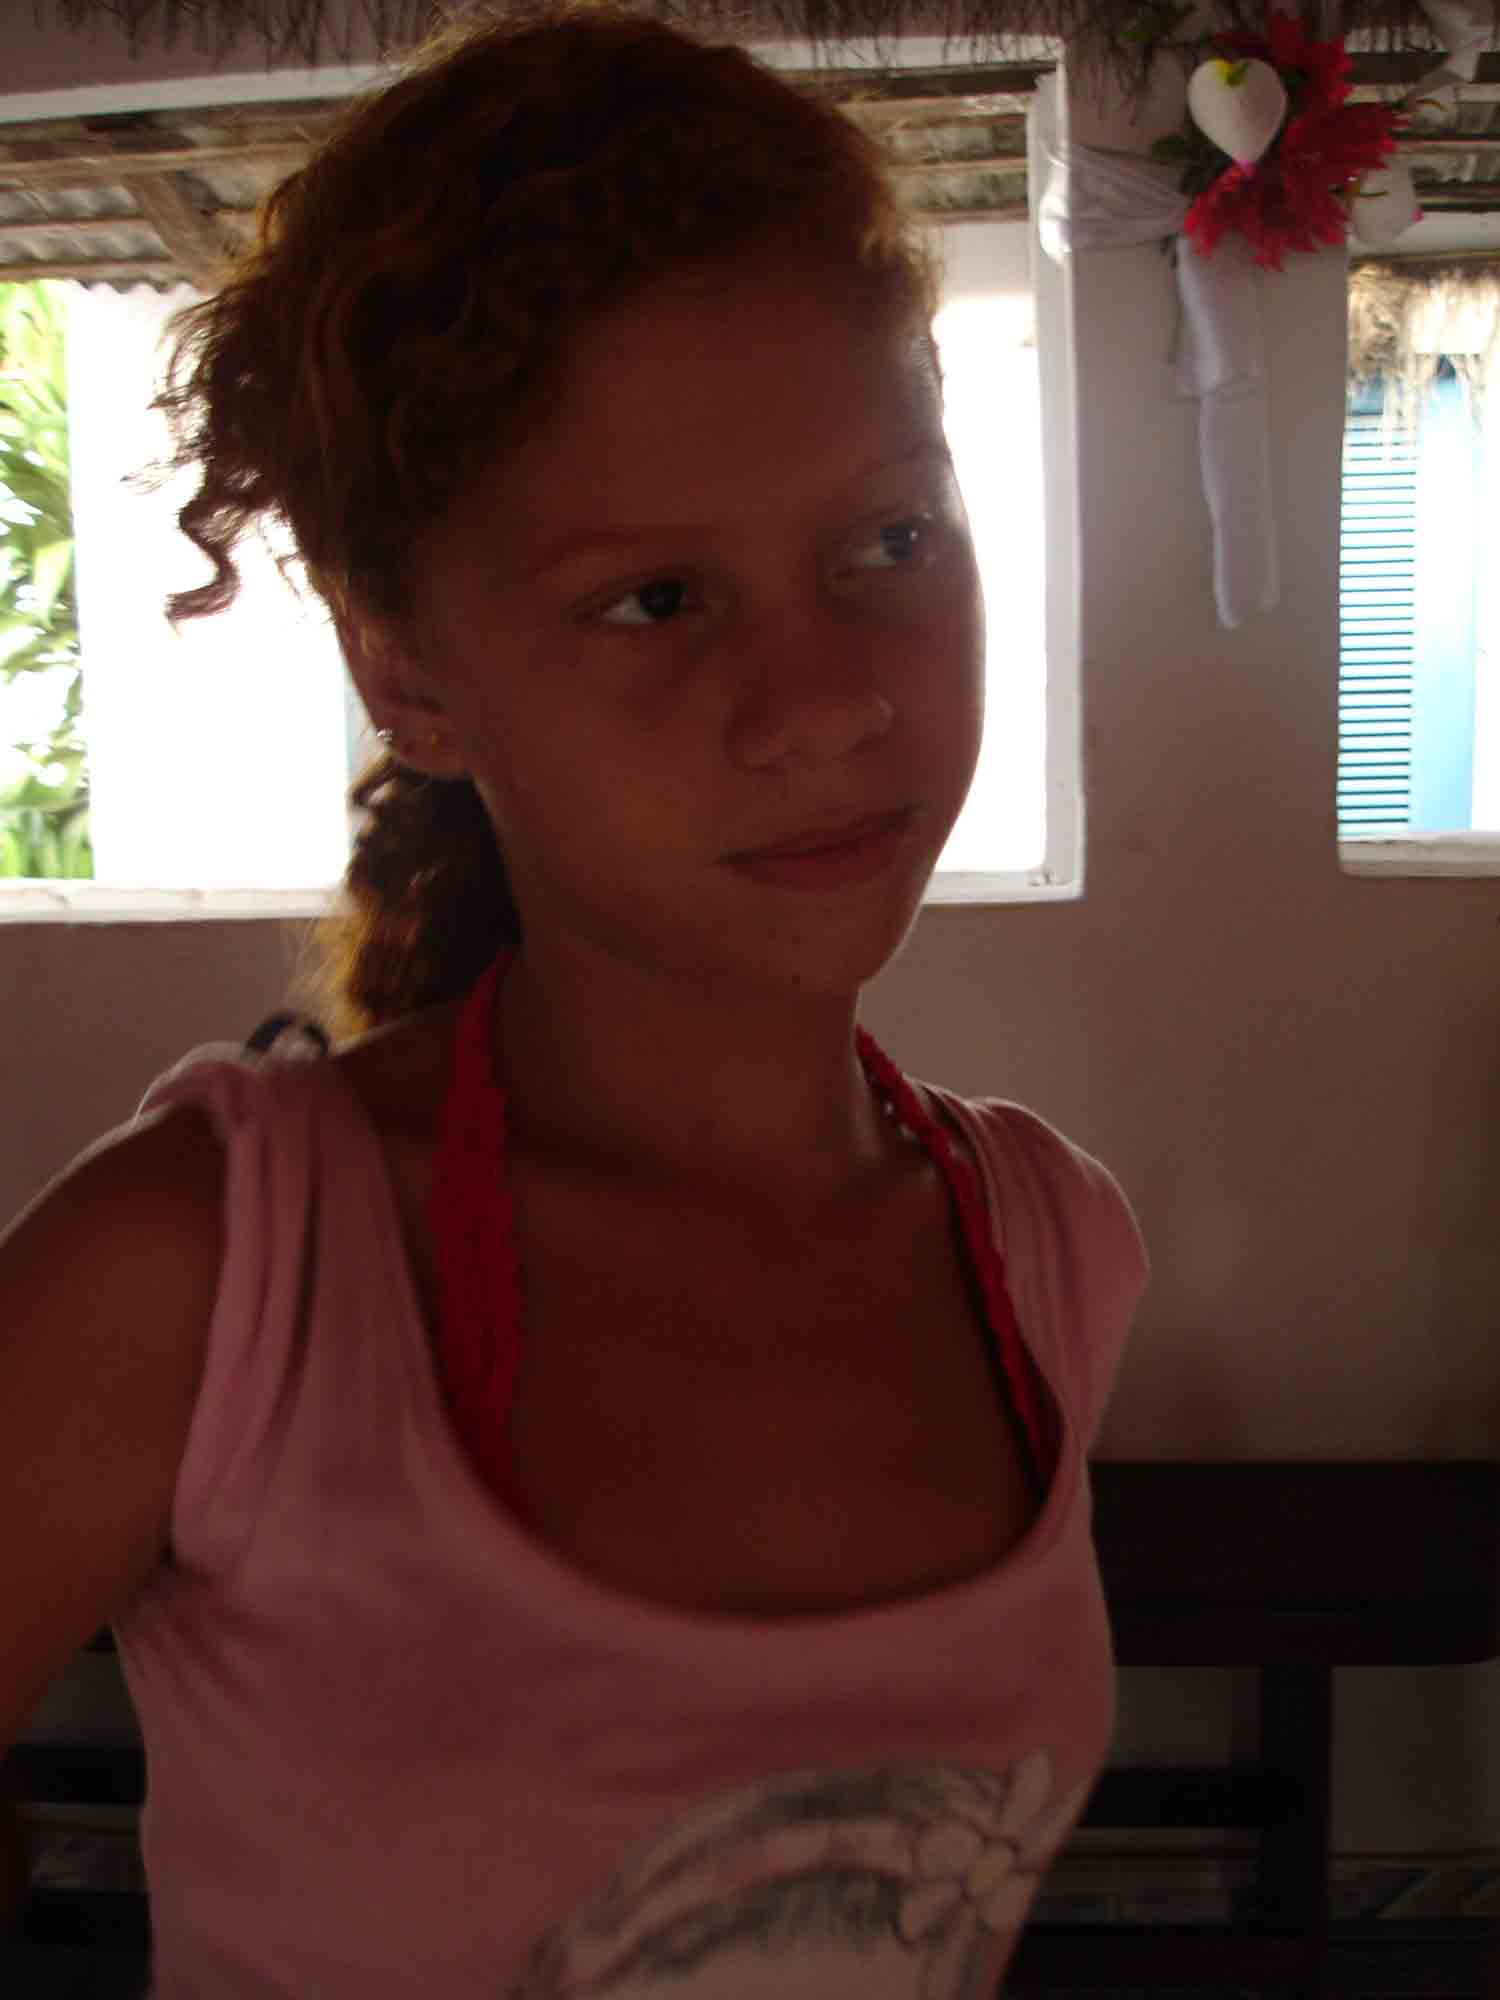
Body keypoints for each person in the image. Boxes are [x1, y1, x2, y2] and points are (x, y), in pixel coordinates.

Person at [0, 4, 1148, 1993]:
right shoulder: (223, 1282)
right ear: (408, 672)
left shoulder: (1044, 1254)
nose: (826, 702)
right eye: (656, 598)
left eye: (891, 538)